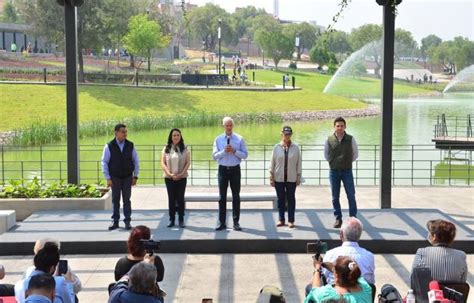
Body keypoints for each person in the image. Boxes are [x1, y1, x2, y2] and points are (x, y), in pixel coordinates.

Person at [212, 117, 248, 231]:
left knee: (236, 197)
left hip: (235, 170)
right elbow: (214, 156)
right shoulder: (218, 139)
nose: (228, 127)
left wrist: (234, 151)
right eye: (226, 125)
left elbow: (245, 155)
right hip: (222, 169)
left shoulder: (239, 139)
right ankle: (221, 222)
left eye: (230, 125)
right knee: (222, 197)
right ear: (223, 126)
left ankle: (236, 222)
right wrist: (224, 151)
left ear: (233, 126)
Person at [101, 123, 140, 230]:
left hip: (128, 177)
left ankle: (127, 221)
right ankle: (115, 221)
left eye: (126, 132)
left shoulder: (130, 145)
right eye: (123, 132)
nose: (125, 134)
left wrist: (135, 176)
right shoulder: (109, 146)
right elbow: (104, 162)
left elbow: (136, 161)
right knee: (115, 199)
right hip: (115, 178)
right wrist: (108, 178)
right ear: (116, 132)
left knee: (127, 200)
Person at [324, 117, 358, 228]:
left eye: (342, 126)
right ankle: (338, 218)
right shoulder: (329, 139)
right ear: (334, 127)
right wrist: (334, 163)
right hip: (334, 172)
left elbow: (355, 154)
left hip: (347, 171)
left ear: (345, 127)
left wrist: (346, 162)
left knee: (351, 195)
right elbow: (326, 155)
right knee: (335, 196)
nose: (340, 128)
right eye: (337, 126)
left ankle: (353, 218)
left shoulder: (351, 139)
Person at [321, 217, 374, 285]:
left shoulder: (330, 254)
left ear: (341, 234)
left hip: (334, 294)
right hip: (363, 294)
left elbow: (324, 279)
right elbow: (371, 282)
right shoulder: (369, 256)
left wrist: (316, 269)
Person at [269, 126, 302, 228]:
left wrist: (298, 176)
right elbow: (272, 163)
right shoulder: (276, 147)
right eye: (285, 134)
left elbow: (299, 163)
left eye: (288, 134)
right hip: (279, 178)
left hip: (291, 178)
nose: (287, 136)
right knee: (281, 199)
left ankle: (291, 220)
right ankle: (281, 219)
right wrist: (271, 176)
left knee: (291, 199)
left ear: (291, 135)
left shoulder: (296, 148)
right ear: (281, 134)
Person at [305, 256, 372, 303]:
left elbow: (315, 290)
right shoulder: (366, 288)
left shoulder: (327, 294)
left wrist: (317, 268)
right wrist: (331, 267)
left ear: (336, 276)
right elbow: (352, 273)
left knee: (309, 288)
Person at [161, 128, 191, 228]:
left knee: (180, 198)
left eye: (178, 135)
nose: (176, 137)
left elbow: (188, 163)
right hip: (169, 178)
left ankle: (181, 219)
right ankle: (171, 219)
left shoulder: (185, 148)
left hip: (182, 178)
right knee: (171, 198)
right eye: (174, 135)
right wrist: (169, 174)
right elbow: (162, 163)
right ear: (171, 137)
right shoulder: (166, 148)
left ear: (180, 136)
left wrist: (181, 174)